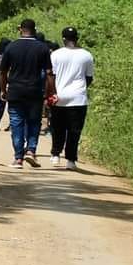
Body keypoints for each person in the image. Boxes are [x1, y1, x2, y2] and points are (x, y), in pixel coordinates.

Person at [0, 19, 54, 169]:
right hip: (35, 91)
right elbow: (49, 73)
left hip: (15, 91)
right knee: (34, 122)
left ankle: (18, 159)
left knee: (16, 123)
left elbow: (2, 72)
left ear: (20, 29)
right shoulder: (42, 48)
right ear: (34, 30)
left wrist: (3, 90)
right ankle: (30, 150)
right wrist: (50, 92)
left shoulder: (11, 47)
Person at [48, 26, 95, 170]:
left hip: (59, 96)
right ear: (77, 38)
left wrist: (51, 93)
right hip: (78, 98)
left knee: (57, 128)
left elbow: (51, 76)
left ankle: (55, 154)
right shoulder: (87, 55)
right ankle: (71, 160)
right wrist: (80, 89)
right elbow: (89, 78)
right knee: (74, 130)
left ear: (63, 39)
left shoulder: (55, 54)